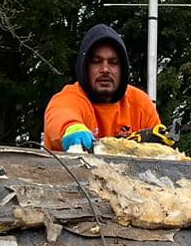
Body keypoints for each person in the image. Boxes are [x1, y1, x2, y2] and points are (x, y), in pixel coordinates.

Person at [41, 24, 169, 152]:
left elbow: (161, 156)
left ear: (123, 69)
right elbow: (60, 115)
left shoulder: (140, 104)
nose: (105, 70)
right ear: (85, 67)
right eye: (97, 61)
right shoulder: (69, 98)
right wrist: (71, 128)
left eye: (113, 62)